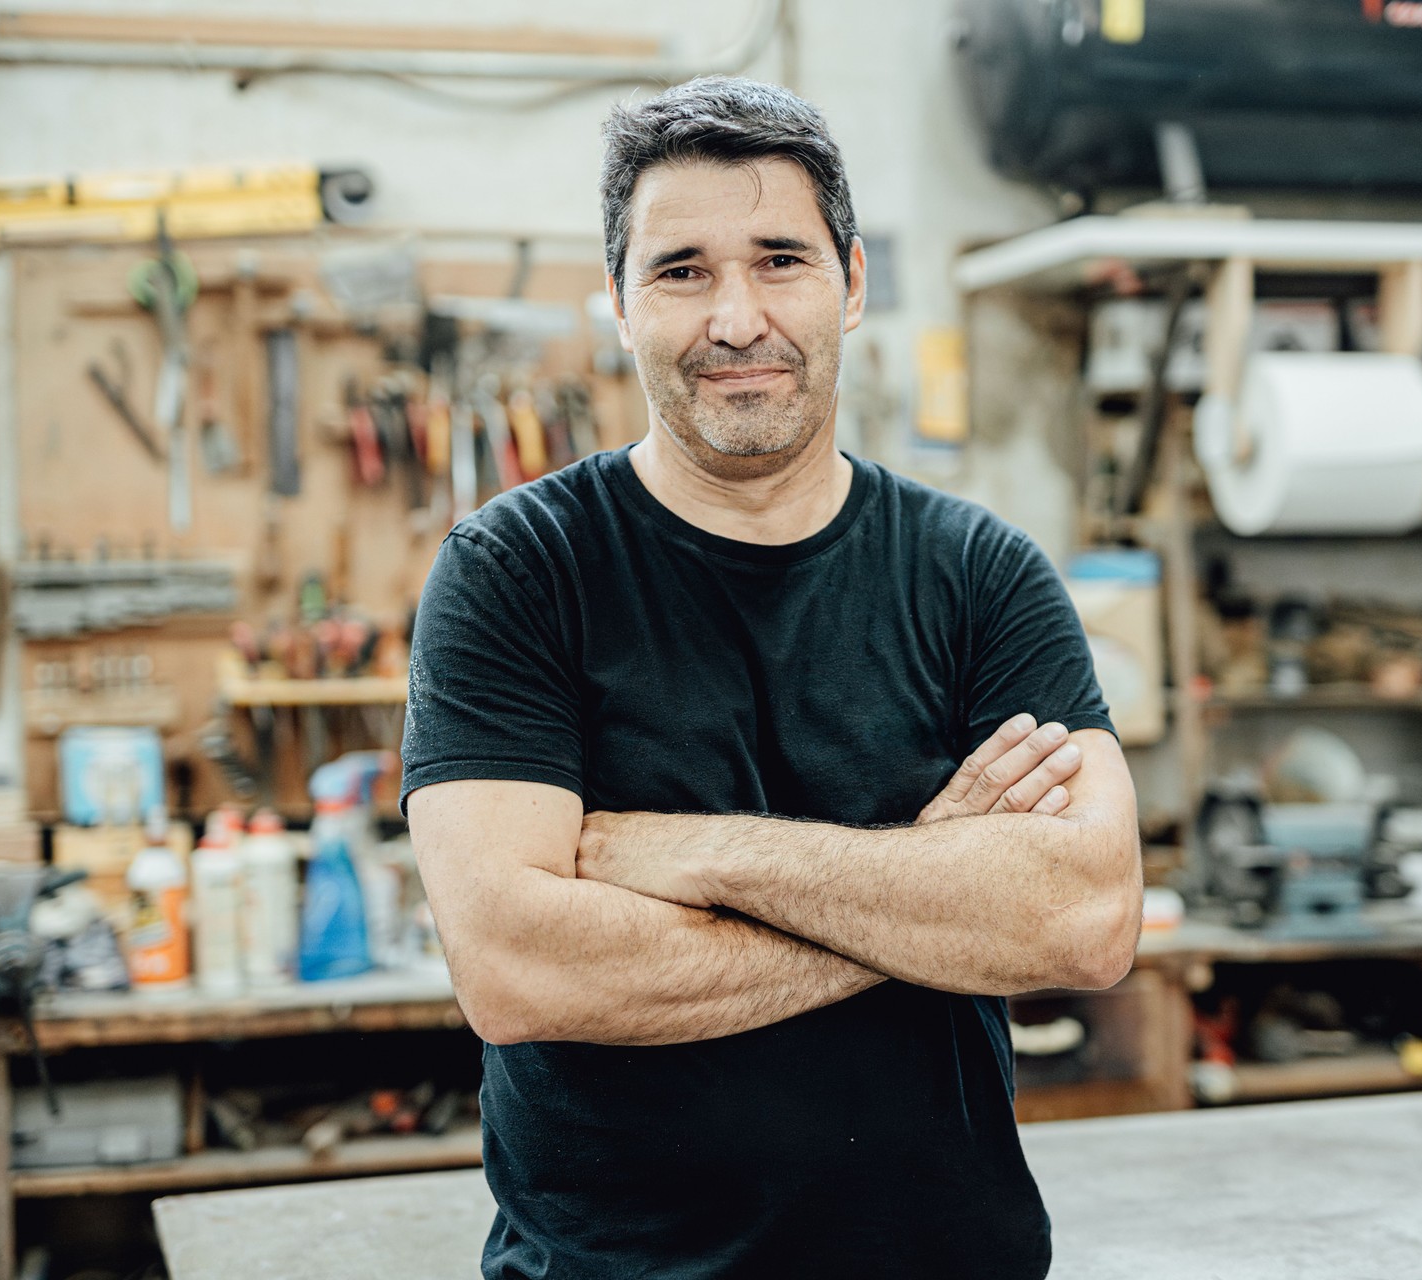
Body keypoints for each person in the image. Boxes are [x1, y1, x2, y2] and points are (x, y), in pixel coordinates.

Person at [402, 75, 1142, 1280]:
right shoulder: (518, 571)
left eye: (780, 259)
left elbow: (1084, 916)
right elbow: (518, 965)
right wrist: (930, 896)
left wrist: (694, 854)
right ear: (618, 301)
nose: (736, 317)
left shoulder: (979, 573)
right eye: (682, 268)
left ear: (851, 284)